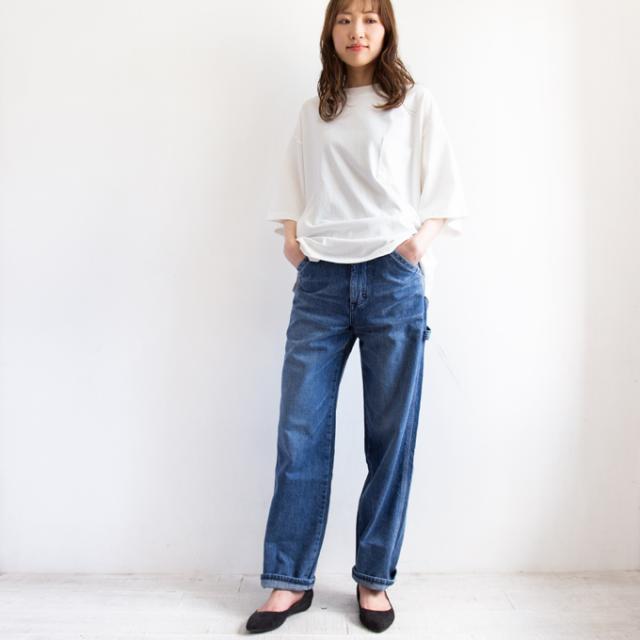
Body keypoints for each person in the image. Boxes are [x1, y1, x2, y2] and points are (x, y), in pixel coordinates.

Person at [246, 0, 469, 633]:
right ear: (330, 31)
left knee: (389, 437)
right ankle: (289, 581)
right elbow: (291, 185)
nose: (357, 31)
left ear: (386, 28)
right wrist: (294, 241)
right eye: (345, 19)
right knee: (300, 432)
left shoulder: (413, 103)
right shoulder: (315, 110)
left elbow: (445, 189)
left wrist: (415, 247)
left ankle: (374, 578)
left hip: (393, 278)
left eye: (370, 18)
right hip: (320, 281)